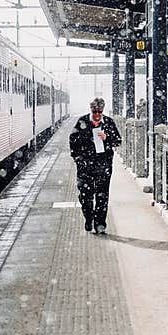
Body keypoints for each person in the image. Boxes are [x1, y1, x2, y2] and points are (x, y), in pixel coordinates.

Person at [69, 97, 122, 234]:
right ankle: (89, 218)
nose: (97, 115)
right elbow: (73, 140)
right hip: (85, 166)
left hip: (103, 166)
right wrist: (78, 158)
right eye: (95, 112)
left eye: (100, 112)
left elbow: (118, 141)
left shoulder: (109, 123)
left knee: (102, 196)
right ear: (91, 110)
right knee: (85, 196)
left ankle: (100, 224)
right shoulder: (82, 122)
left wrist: (107, 137)